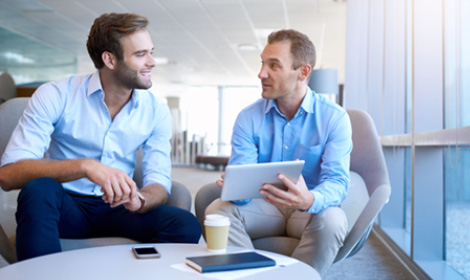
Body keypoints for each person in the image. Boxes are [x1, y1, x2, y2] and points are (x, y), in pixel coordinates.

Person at [0, 13, 201, 261]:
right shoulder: (56, 94)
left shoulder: (156, 110)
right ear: (110, 59)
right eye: (141, 54)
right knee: (39, 190)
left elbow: (159, 181)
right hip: (66, 208)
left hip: (120, 210)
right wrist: (86, 166)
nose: (152, 61)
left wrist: (142, 199)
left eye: (151, 52)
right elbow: (8, 175)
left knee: (185, 224)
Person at [205, 29, 352, 275]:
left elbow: (337, 182)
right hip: (263, 207)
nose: (261, 73)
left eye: (274, 65)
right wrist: (235, 187)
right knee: (217, 210)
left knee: (334, 219)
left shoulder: (334, 118)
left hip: (306, 212)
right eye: (262, 63)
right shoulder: (248, 117)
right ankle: (252, 276)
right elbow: (241, 188)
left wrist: (309, 200)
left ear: (303, 72)